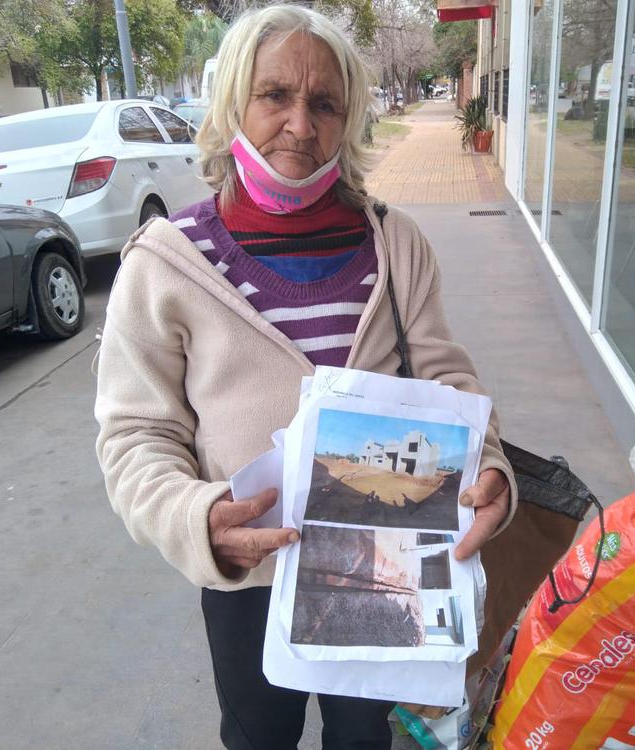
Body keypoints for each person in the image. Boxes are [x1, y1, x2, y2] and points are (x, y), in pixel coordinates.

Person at [94, 5, 517, 749]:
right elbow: (135, 436)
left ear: (347, 121)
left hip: (384, 569)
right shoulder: (166, 263)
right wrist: (196, 519)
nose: (299, 124)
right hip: (249, 577)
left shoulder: (393, 243)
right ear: (233, 103)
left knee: (364, 737)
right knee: (258, 737)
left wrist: (487, 465)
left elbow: (447, 382)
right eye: (274, 95)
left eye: (324, 103)